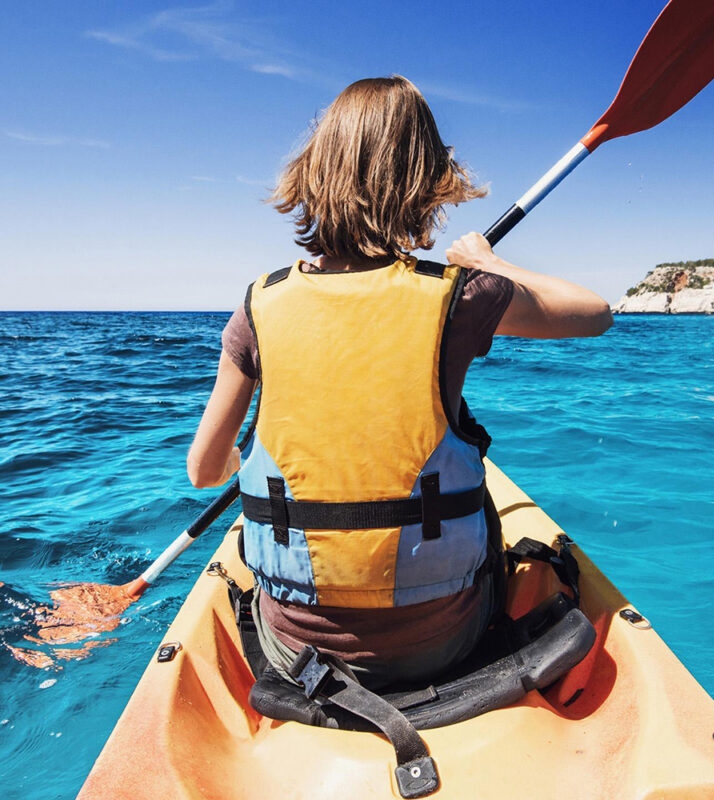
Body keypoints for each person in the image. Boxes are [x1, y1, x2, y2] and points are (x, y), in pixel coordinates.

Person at [187, 75, 612, 691]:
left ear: (315, 172)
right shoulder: (463, 296)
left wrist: (242, 463)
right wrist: (490, 265)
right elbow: (595, 312)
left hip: (295, 652)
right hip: (442, 645)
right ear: (427, 178)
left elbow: (203, 471)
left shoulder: (258, 306)